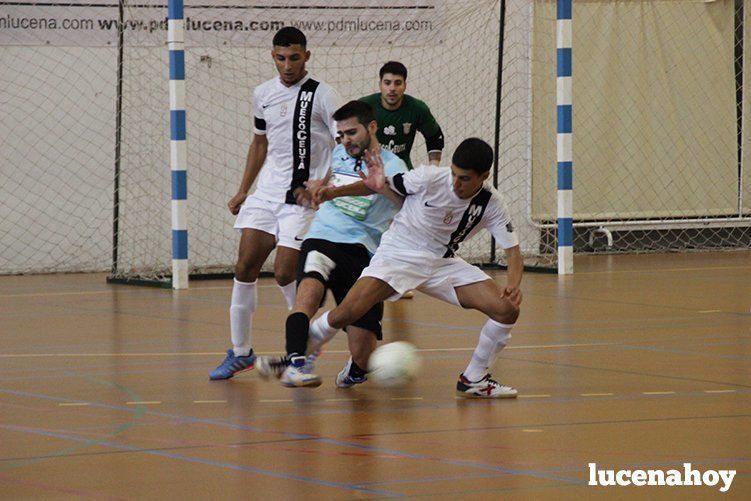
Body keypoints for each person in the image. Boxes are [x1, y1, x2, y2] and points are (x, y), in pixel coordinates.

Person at [307, 138, 523, 398]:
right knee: (345, 313)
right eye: (453, 174)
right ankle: (296, 353)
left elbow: (513, 252)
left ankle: (474, 378)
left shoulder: (492, 203)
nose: (455, 182)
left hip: (442, 262)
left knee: (506, 310)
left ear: (483, 176)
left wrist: (513, 284)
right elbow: (380, 185)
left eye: (464, 178)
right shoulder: (428, 178)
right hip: (399, 253)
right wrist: (332, 192)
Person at [210, 27, 342, 380]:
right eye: (281, 58)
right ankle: (240, 352)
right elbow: (259, 144)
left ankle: (304, 348)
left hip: (301, 199)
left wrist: (325, 183)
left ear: (306, 57)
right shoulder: (262, 94)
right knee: (244, 267)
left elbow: (343, 143)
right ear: (273, 56)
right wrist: (243, 190)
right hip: (266, 193)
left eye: (294, 58)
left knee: (286, 272)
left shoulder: (323, 95)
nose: (287, 65)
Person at [255, 100, 407, 388]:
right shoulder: (338, 153)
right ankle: (297, 363)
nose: (346, 140)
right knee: (307, 298)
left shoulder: (395, 166)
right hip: (322, 239)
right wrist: (313, 191)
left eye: (352, 133)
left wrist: (334, 193)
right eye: (341, 135)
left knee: (363, 355)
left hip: (364, 254)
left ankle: (347, 368)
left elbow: (397, 201)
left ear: (372, 127)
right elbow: (325, 185)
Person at [359, 61, 444, 170]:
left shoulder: (417, 108)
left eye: (398, 83)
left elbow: (435, 137)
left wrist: (433, 169)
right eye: (387, 82)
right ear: (380, 85)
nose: (392, 88)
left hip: (402, 172)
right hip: (368, 171)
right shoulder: (363, 106)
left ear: (405, 86)